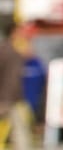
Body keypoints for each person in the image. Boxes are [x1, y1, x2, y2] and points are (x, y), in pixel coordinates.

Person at [0, 16, 25, 150]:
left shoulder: (7, 49)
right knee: (19, 136)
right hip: (8, 100)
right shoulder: (10, 51)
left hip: (9, 99)